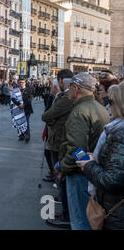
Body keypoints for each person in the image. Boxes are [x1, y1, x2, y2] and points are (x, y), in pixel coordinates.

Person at [56, 72, 110, 230]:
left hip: (80, 174)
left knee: (80, 221)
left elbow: (77, 149)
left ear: (76, 88)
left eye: (70, 88)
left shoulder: (80, 111)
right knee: (90, 220)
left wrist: (62, 167)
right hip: (93, 170)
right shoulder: (99, 107)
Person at [76, 81, 124, 230]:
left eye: (110, 101)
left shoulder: (120, 133)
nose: (108, 105)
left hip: (116, 211)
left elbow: (112, 180)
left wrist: (89, 164)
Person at [42, 70, 74, 229]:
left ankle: (67, 215)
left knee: (61, 177)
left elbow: (46, 116)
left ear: (62, 81)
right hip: (59, 140)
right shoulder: (63, 97)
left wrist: (51, 122)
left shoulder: (65, 99)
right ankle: (66, 212)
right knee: (61, 178)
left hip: (59, 141)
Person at [17, 78, 33, 142]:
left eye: (22, 82)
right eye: (20, 82)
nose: (21, 83)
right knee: (19, 123)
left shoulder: (28, 89)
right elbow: (13, 98)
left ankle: (27, 136)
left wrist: (23, 104)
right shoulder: (16, 90)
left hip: (27, 109)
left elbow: (30, 98)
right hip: (18, 109)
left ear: (25, 83)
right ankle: (21, 135)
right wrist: (18, 104)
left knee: (26, 123)